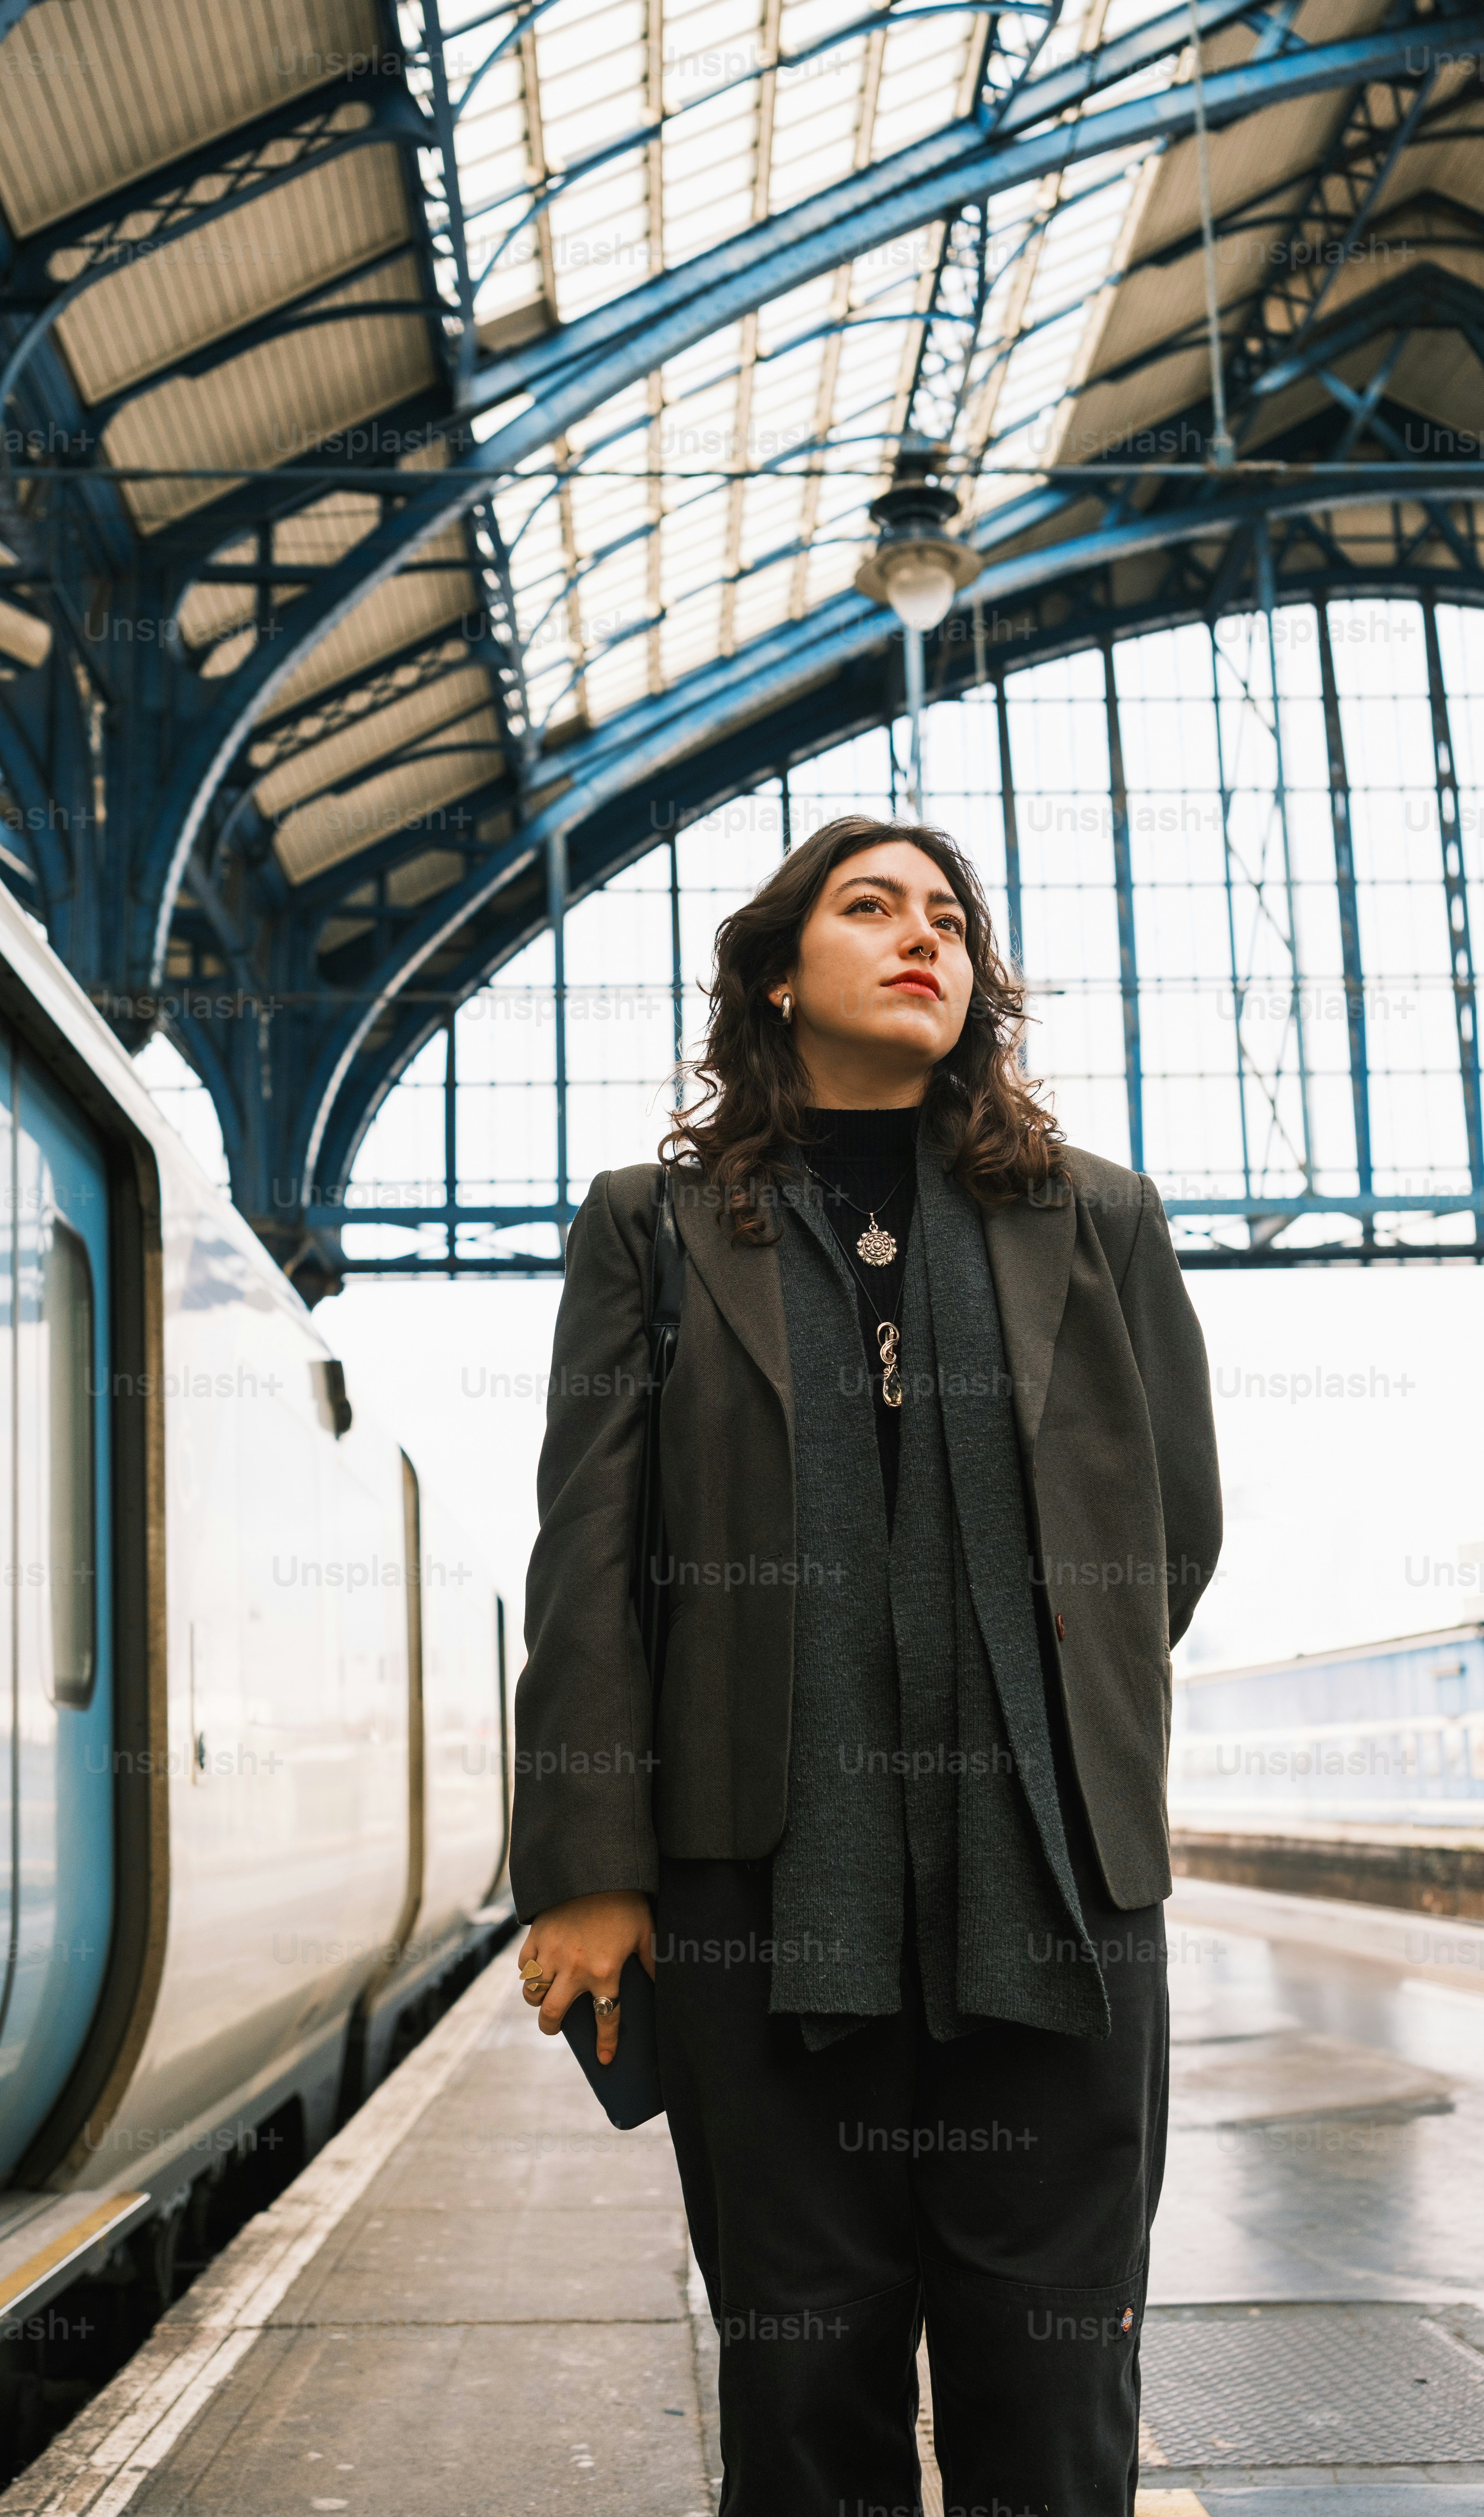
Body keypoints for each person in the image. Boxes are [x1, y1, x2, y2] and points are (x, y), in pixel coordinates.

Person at [508, 813, 1221, 2517]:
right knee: (801, 2376)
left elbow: (1167, 1539)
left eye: (951, 924)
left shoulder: (1097, 1222)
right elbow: (588, 1570)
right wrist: (592, 1870)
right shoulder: (651, 1230)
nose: (924, 939)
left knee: (1053, 2394)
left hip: (1051, 1894)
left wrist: (1060, 1736)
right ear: (773, 972)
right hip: (758, 1902)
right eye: (869, 907)